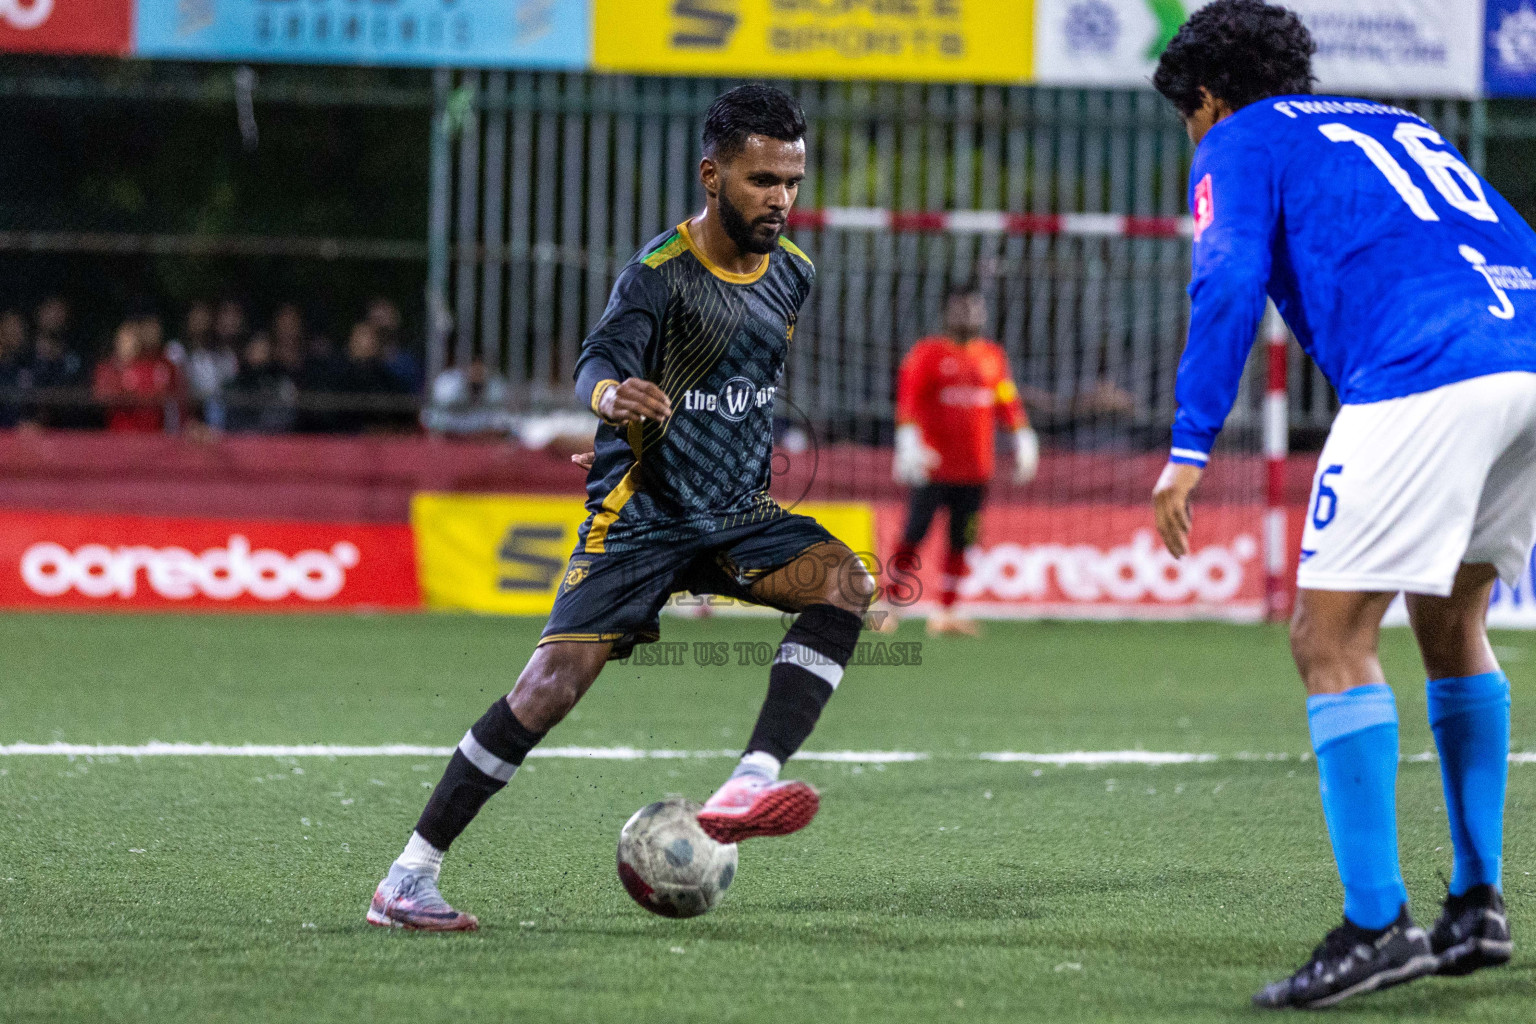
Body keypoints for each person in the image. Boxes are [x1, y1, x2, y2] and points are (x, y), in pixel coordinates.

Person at [368, 84, 873, 931]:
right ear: (712, 176)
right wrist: (609, 404)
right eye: (761, 181)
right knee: (549, 688)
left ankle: (751, 777)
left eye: (792, 180)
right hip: (643, 519)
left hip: (738, 510)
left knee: (847, 583)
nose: (781, 199)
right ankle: (408, 878)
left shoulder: (794, 275)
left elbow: (731, 387)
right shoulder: (659, 275)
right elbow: (599, 359)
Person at [1149, 1, 1534, 1008]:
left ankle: (1377, 923)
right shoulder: (1403, 125)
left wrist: (1189, 445)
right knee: (1452, 621)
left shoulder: (1236, 136)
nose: (1194, 139)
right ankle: (1477, 902)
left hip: (1425, 371)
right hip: (1524, 354)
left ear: (1207, 96)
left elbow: (1225, 274)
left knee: (1328, 637)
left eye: (1189, 119)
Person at [890, 283, 1038, 636]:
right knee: (914, 534)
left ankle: (947, 611)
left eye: (975, 308)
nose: (969, 315)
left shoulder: (992, 356)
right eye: (961, 309)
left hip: (976, 471)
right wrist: (907, 443)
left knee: (962, 539)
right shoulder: (927, 354)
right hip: (933, 466)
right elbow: (908, 400)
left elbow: (1006, 400)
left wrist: (1023, 436)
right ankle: (889, 605)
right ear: (946, 314)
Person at [93, 321, 180, 433]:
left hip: (150, 435)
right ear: (117, 341)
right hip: (117, 435)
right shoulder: (107, 369)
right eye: (125, 340)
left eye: (134, 339)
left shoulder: (149, 368)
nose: (130, 344)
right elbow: (101, 396)